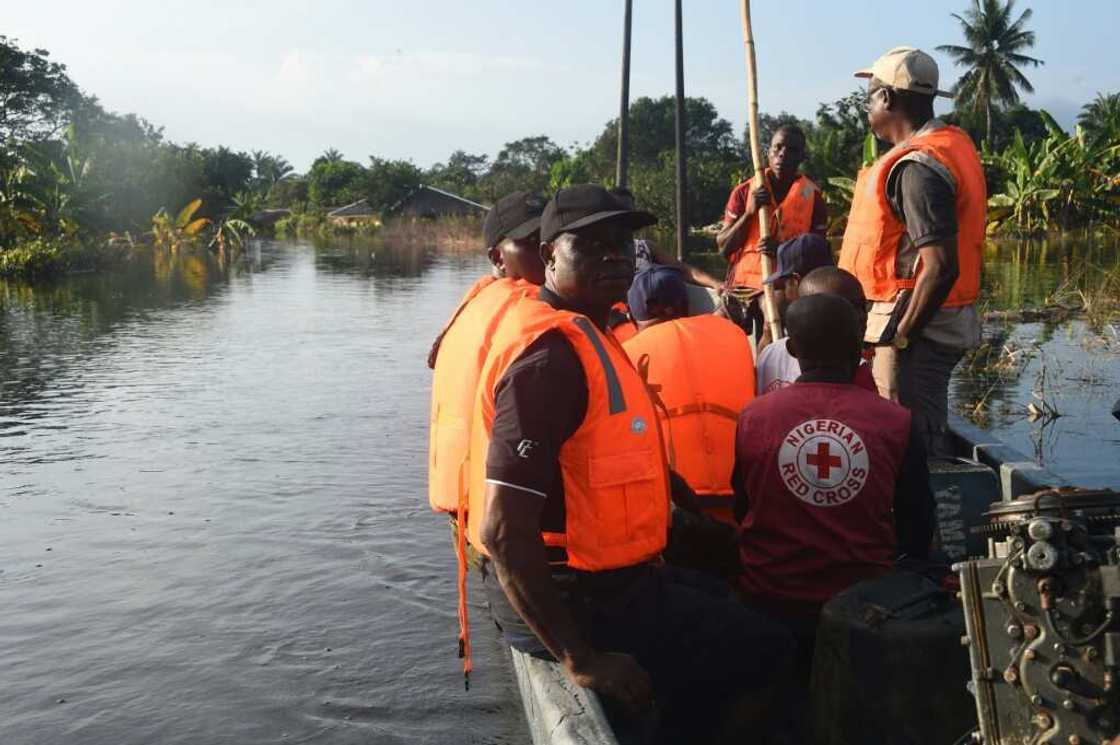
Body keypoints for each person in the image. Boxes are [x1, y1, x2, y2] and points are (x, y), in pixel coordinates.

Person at [467, 184, 794, 743]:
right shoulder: (548, 360)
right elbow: (502, 532)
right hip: (580, 601)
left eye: (622, 243)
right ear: (548, 256)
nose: (613, 256)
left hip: (615, 582)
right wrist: (580, 657)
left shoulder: (593, 329)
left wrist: (703, 525)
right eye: (589, 246)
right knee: (774, 648)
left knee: (738, 583)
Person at [732, 293, 935, 685]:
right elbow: (916, 524)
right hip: (864, 600)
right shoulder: (896, 421)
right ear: (860, 346)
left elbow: (744, 506)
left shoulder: (753, 415)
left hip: (770, 593)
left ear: (791, 348)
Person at [839, 47, 985, 457]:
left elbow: (940, 267)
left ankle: (924, 517)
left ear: (888, 98)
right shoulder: (949, 145)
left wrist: (900, 340)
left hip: (919, 329)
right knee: (912, 427)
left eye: (869, 96)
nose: (866, 106)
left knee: (913, 439)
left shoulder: (917, 166)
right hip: (931, 323)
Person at [426, 189, 546, 681]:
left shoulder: (476, 302)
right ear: (498, 256)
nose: (545, 251)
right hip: (497, 510)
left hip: (471, 505)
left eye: (551, 239)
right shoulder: (528, 314)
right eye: (531, 242)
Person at [622, 265, 755, 526]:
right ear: (687, 304)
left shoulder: (624, 353)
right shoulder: (733, 334)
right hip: (742, 496)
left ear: (633, 314)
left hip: (674, 504)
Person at [717, 125, 828, 340]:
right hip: (742, 284)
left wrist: (782, 251)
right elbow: (723, 247)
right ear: (768, 152)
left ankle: (764, 372)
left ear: (801, 157)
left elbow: (818, 253)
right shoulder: (743, 192)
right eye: (777, 147)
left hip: (783, 282)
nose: (783, 154)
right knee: (717, 325)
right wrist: (749, 214)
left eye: (792, 150)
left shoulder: (814, 197)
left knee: (773, 317)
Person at [755, 261, 878, 396]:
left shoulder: (858, 371)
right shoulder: (771, 354)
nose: (862, 316)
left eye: (862, 306)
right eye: (848, 308)